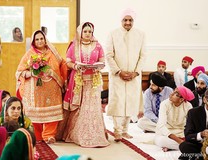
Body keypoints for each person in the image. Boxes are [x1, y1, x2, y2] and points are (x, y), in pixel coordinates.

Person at [62, 22, 109, 147]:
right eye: (85, 31)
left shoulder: (97, 46)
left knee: (91, 109)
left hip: (93, 81)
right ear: (80, 32)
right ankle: (77, 134)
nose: (88, 34)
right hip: (78, 80)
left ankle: (94, 135)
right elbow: (68, 62)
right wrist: (76, 66)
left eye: (90, 31)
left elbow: (102, 61)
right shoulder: (74, 45)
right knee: (79, 107)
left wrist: (97, 67)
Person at [16, 30, 67, 144]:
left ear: (45, 40)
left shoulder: (53, 52)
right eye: (37, 39)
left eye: (41, 39)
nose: (39, 41)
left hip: (52, 89)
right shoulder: (29, 54)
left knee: (52, 112)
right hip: (34, 89)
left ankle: (49, 135)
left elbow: (62, 64)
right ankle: (37, 135)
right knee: (35, 113)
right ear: (34, 41)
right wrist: (31, 73)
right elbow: (19, 71)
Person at [105, 8, 146, 141]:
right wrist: (119, 71)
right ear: (121, 20)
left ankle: (125, 131)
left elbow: (143, 55)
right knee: (118, 103)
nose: (128, 22)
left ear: (133, 21)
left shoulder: (140, 34)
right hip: (118, 76)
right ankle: (117, 131)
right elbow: (109, 55)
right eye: (125, 20)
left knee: (130, 103)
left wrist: (135, 72)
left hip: (134, 76)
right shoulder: (113, 34)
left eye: (130, 20)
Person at [154, 86, 194, 152]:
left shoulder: (188, 106)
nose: (172, 94)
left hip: (181, 133)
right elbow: (161, 126)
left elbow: (191, 124)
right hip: (165, 134)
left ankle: (175, 146)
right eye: (174, 91)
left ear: (181, 99)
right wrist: (179, 141)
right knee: (161, 141)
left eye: (176, 93)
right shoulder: (164, 104)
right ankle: (185, 146)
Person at [179, 89, 208, 160]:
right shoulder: (193, 113)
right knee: (184, 146)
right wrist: (201, 134)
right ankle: (200, 156)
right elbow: (188, 136)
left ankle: (196, 157)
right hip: (198, 144)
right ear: (204, 99)